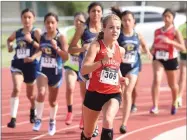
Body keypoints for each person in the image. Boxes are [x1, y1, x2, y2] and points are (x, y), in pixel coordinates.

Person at [80, 13, 128, 140]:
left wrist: (121, 78)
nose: (115, 31)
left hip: (113, 93)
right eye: (111, 27)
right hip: (94, 93)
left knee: (108, 120)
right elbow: (84, 69)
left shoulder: (120, 50)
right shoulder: (96, 46)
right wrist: (101, 62)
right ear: (104, 28)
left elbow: (115, 68)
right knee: (88, 133)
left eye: (118, 28)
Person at [111, 7, 152, 134]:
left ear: (134, 21)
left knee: (128, 92)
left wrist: (148, 52)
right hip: (119, 68)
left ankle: (124, 124)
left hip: (133, 67)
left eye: (129, 20)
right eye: (124, 20)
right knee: (119, 92)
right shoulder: (119, 35)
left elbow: (144, 45)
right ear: (122, 22)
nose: (127, 22)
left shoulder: (137, 34)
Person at [69, 2, 103, 136]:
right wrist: (82, 48)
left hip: (100, 69)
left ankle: (94, 125)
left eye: (99, 11)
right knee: (87, 99)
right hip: (85, 69)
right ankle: (91, 125)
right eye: (93, 11)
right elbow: (71, 48)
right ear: (89, 13)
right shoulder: (83, 28)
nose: (96, 14)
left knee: (100, 98)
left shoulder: (105, 28)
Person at [32, 12, 69, 136]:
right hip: (42, 69)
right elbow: (39, 48)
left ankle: (52, 121)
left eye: (52, 22)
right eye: (47, 22)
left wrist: (57, 48)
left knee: (52, 101)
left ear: (56, 23)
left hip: (56, 72)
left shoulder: (61, 38)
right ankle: (38, 119)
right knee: (41, 93)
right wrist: (34, 56)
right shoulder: (42, 37)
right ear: (44, 24)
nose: (50, 25)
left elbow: (66, 57)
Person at [6, 8, 41, 128]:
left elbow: (43, 47)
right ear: (21, 19)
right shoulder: (17, 32)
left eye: (29, 17)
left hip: (31, 66)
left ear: (33, 19)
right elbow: (9, 40)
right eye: (24, 17)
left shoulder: (36, 32)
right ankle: (13, 119)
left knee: (30, 95)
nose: (26, 19)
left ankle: (33, 108)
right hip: (18, 64)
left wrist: (31, 42)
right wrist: (10, 46)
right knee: (16, 88)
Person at [150, 8, 185, 115]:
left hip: (171, 59)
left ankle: (175, 101)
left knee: (172, 84)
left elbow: (182, 47)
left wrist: (170, 42)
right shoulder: (157, 31)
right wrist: (150, 50)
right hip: (158, 58)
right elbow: (153, 46)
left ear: (172, 18)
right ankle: (155, 106)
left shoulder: (175, 31)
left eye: (168, 16)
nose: (166, 18)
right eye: (164, 16)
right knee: (157, 79)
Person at [63, 12, 87, 128]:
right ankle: (69, 111)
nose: (78, 22)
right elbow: (68, 48)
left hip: (83, 67)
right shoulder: (69, 32)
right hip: (71, 64)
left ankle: (84, 116)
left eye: (81, 21)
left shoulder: (87, 33)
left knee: (85, 95)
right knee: (69, 87)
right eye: (76, 20)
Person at [177, 22, 187, 107]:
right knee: (183, 75)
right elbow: (176, 39)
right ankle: (179, 97)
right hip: (184, 55)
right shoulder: (182, 27)